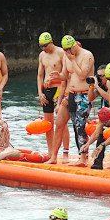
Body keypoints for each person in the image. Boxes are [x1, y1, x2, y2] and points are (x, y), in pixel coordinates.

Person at [46, 35, 95, 166]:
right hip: (71, 94)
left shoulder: (87, 55)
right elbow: (65, 75)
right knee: (59, 123)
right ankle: (53, 157)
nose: (67, 53)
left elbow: (82, 75)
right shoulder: (66, 56)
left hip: (84, 95)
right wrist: (58, 76)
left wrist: (73, 60)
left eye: (69, 50)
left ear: (74, 46)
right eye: (65, 50)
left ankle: (83, 158)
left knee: (79, 126)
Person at [37, 32, 69, 163]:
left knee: (62, 123)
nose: (43, 48)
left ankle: (65, 152)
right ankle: (51, 153)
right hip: (46, 91)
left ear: (51, 42)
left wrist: (61, 97)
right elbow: (40, 75)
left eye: (45, 45)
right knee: (48, 125)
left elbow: (66, 75)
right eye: (40, 46)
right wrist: (40, 93)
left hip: (58, 90)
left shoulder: (61, 53)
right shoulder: (42, 55)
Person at [87, 65, 110, 170]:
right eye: (99, 76)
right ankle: (98, 162)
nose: (101, 78)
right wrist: (92, 85)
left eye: (103, 76)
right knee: (102, 136)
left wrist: (97, 87)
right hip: (106, 116)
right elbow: (90, 98)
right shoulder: (101, 87)